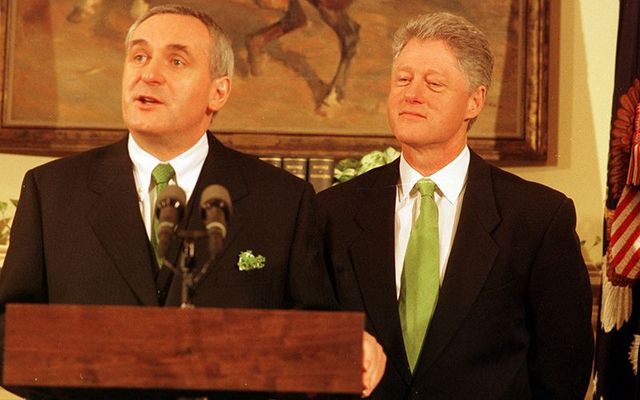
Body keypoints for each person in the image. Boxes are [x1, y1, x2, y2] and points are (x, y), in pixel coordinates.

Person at [0, 4, 383, 399]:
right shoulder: (52, 191)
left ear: (219, 91)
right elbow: (8, 332)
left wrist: (351, 348)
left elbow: (312, 340)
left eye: (176, 60)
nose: (148, 74)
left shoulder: (283, 200)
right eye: (140, 56)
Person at [317, 12, 594, 399]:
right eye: (403, 79)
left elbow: (563, 370)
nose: (411, 94)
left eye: (433, 83)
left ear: (474, 101)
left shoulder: (537, 218)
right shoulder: (333, 212)